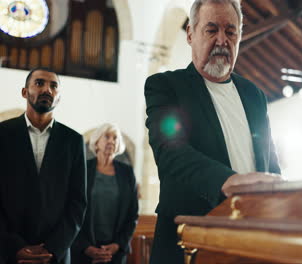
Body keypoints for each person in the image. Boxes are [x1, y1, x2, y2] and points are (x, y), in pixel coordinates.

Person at [144, 0, 282, 263]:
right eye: (211, 30)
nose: (222, 40)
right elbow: (170, 151)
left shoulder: (255, 95)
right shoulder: (165, 86)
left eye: (231, 31)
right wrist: (226, 180)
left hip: (250, 239)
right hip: (189, 240)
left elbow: (269, 159)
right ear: (190, 34)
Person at [0, 67, 87, 264]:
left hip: (55, 254)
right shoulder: (3, 134)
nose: (47, 89)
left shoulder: (73, 141)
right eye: (39, 83)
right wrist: (15, 247)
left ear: (59, 97)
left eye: (53, 86)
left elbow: (77, 203)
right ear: (25, 92)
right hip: (8, 253)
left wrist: (52, 248)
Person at [71, 124, 138, 264]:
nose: (111, 141)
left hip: (115, 252)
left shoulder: (127, 173)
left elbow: (132, 215)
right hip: (84, 251)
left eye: (115, 138)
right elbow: (72, 210)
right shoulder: (83, 168)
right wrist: (86, 247)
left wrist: (117, 245)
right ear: (96, 142)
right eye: (107, 136)